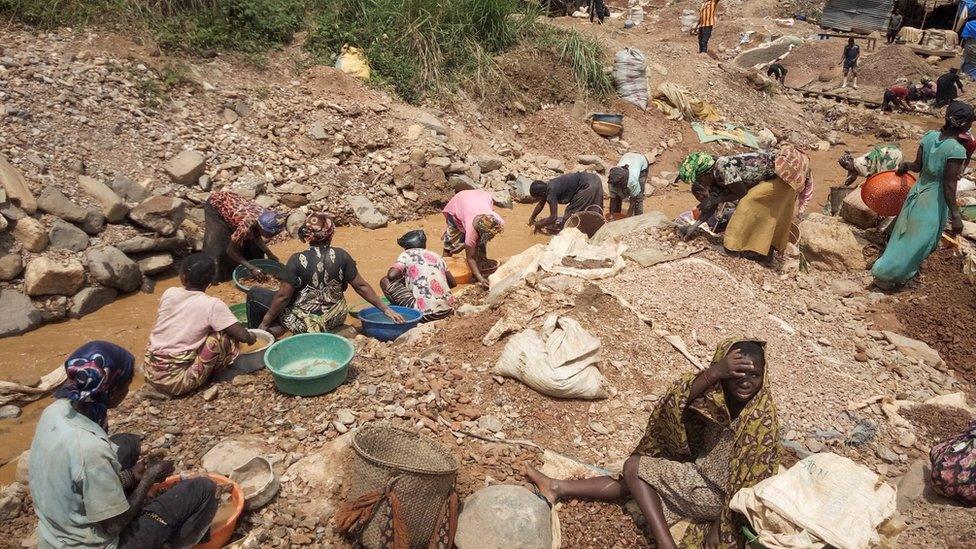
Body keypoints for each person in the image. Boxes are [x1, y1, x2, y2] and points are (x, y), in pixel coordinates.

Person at [526, 338, 779, 549]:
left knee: (635, 467)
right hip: (697, 478)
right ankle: (557, 487)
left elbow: (755, 482)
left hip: (719, 498)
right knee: (638, 483)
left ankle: (665, 544)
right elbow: (674, 400)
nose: (746, 382)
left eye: (754, 375)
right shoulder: (718, 397)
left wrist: (721, 524)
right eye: (737, 374)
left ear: (764, 376)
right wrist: (715, 372)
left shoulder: (760, 418)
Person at [30, 342, 219, 548]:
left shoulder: (54, 411)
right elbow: (113, 527)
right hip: (96, 543)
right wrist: (148, 479)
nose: (128, 391)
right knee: (203, 488)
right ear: (111, 391)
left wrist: (130, 477)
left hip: (55, 530)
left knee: (127, 444)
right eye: (127, 385)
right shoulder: (90, 450)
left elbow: (78, 475)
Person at [872, 101, 973, 289]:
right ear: (964, 124)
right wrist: (956, 216)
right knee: (920, 240)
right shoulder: (956, 149)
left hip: (916, 193)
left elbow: (917, 166)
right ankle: (889, 275)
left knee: (904, 236)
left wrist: (906, 166)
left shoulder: (929, 137)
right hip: (932, 201)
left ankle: (887, 269)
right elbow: (949, 186)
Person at [248, 212, 403, 336]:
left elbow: (283, 297)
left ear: (307, 235)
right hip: (335, 317)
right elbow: (361, 286)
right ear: (330, 234)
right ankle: (280, 328)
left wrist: (266, 322)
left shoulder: (296, 260)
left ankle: (264, 335)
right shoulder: (342, 256)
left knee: (256, 293)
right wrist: (386, 309)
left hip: (305, 321)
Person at [144, 254, 256, 397]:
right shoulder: (212, 305)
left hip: (151, 371)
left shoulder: (169, 293)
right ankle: (216, 373)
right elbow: (243, 335)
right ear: (210, 282)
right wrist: (252, 336)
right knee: (222, 336)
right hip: (176, 382)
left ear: (182, 277)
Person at [678, 147, 814, 260]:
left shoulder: (722, 166)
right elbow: (711, 207)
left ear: (706, 174)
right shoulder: (714, 179)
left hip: (782, 175)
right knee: (767, 214)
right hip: (774, 178)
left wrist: (714, 200)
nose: (701, 184)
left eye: (700, 180)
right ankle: (765, 255)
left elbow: (741, 193)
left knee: (748, 203)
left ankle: (731, 249)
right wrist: (693, 227)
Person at [203, 189, 284, 283]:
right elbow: (230, 251)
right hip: (216, 204)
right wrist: (251, 268)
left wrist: (270, 254)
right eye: (270, 234)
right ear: (261, 227)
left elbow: (257, 236)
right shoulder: (245, 225)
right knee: (219, 243)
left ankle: (247, 263)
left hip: (232, 204)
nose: (272, 236)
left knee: (251, 244)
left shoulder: (264, 216)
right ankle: (212, 275)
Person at [380, 230, 457, 322]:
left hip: (425, 315)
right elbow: (453, 283)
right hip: (447, 310)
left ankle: (403, 313)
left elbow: (391, 275)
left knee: (385, 281)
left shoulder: (407, 254)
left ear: (406, 247)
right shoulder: (436, 256)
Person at [442, 189, 505, 289]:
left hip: (480, 196)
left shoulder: (496, 221)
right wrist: (480, 278)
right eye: (485, 235)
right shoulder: (472, 231)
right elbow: (470, 258)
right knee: (450, 244)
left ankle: (479, 266)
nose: (490, 238)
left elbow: (483, 237)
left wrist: (467, 245)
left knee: (480, 244)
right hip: (459, 202)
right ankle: (443, 272)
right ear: (477, 231)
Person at [529, 172, 605, 234]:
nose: (538, 199)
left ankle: (579, 233)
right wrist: (532, 218)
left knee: (570, 217)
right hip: (595, 179)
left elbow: (553, 218)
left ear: (542, 193)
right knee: (593, 210)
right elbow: (540, 204)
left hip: (587, 186)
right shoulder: (548, 186)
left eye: (538, 197)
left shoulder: (551, 193)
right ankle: (595, 230)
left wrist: (538, 224)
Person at [838, 144, 904, 187]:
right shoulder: (853, 168)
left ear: (851, 160)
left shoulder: (857, 164)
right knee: (890, 175)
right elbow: (851, 177)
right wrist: (844, 185)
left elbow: (870, 177)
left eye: (846, 164)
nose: (846, 167)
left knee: (885, 176)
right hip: (893, 151)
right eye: (844, 167)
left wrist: (864, 185)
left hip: (889, 154)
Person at [608, 152, 650, 218]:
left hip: (641, 163)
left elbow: (633, 202)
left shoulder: (632, 181)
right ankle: (616, 215)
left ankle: (639, 219)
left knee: (638, 197)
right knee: (617, 197)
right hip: (627, 156)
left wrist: (628, 218)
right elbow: (613, 199)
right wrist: (611, 215)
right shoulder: (612, 180)